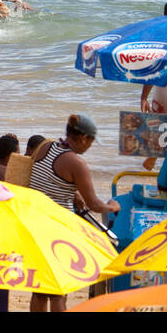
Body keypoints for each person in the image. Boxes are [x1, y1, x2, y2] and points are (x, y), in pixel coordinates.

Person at [28, 115, 119, 312]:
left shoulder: (46, 146)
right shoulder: (77, 164)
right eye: (91, 142)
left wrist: (73, 191)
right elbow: (94, 204)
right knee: (59, 291)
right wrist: (112, 206)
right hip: (57, 231)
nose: (90, 147)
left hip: (34, 225)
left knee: (40, 289)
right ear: (83, 138)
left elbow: (49, 178)